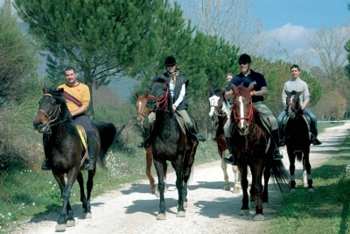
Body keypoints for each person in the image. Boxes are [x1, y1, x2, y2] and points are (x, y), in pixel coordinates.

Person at [223, 53, 283, 164]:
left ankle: (275, 149)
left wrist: (255, 92)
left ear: (250, 64)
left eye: (245, 63)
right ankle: (231, 153)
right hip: (241, 107)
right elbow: (226, 95)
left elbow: (265, 91)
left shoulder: (258, 76)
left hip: (257, 103)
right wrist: (230, 92)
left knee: (273, 120)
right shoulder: (236, 79)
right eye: (241, 63)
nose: (242, 65)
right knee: (227, 126)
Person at [41, 67, 95, 171]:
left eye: (71, 74)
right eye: (67, 75)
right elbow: (55, 104)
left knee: (89, 131)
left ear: (76, 75)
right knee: (46, 133)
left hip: (79, 116)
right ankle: (48, 160)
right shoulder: (60, 88)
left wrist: (71, 114)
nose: (69, 77)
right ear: (65, 76)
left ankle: (90, 160)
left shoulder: (84, 88)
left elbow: (84, 106)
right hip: (62, 118)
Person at [143, 56, 198, 148]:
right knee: (147, 121)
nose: (170, 68)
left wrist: (175, 105)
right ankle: (147, 141)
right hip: (163, 105)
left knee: (188, 121)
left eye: (172, 66)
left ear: (175, 66)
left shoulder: (182, 79)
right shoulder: (161, 77)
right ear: (166, 67)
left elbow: (182, 94)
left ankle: (194, 137)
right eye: (168, 66)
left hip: (178, 105)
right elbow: (156, 90)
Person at [277, 64, 322, 146]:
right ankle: (281, 139)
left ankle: (313, 137)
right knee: (279, 120)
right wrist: (288, 106)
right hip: (289, 108)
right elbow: (284, 97)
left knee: (313, 118)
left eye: (295, 71)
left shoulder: (303, 84)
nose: (294, 72)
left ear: (299, 72)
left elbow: (307, 97)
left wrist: (302, 106)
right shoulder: (287, 84)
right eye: (292, 71)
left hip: (301, 108)